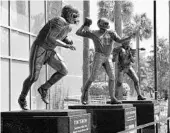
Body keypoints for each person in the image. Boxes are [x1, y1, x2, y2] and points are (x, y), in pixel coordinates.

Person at [18, 5, 80, 110]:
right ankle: (22, 98)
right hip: (40, 47)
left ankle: (44, 88)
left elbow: (62, 36)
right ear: (68, 14)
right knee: (33, 77)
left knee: (63, 70)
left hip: (50, 50)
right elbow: (51, 37)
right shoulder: (59, 21)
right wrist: (66, 45)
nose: (75, 19)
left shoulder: (68, 26)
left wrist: (67, 40)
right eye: (74, 16)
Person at [76, 17, 134, 105]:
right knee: (93, 77)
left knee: (112, 77)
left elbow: (119, 40)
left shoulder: (111, 33)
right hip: (99, 56)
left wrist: (128, 38)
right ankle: (84, 95)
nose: (106, 25)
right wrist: (84, 25)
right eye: (104, 23)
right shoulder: (94, 33)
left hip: (108, 57)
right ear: (100, 25)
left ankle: (113, 98)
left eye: (107, 23)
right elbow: (78, 33)